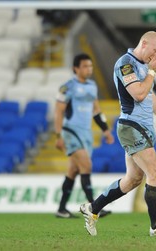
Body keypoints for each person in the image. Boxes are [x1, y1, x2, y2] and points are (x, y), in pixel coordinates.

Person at [80, 31, 156, 237]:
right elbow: (138, 93)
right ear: (144, 43)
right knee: (155, 171)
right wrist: (152, 73)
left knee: (133, 179)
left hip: (143, 127)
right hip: (132, 126)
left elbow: (149, 97)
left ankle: (93, 208)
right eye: (155, 51)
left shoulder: (143, 66)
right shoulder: (125, 64)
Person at [54, 53, 114, 218]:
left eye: (91, 66)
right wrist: (58, 136)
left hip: (85, 133)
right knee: (86, 165)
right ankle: (95, 207)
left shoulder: (92, 86)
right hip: (70, 131)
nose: (89, 69)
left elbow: (97, 110)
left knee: (73, 170)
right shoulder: (67, 87)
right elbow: (58, 112)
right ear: (76, 68)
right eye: (85, 66)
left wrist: (106, 130)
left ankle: (61, 209)